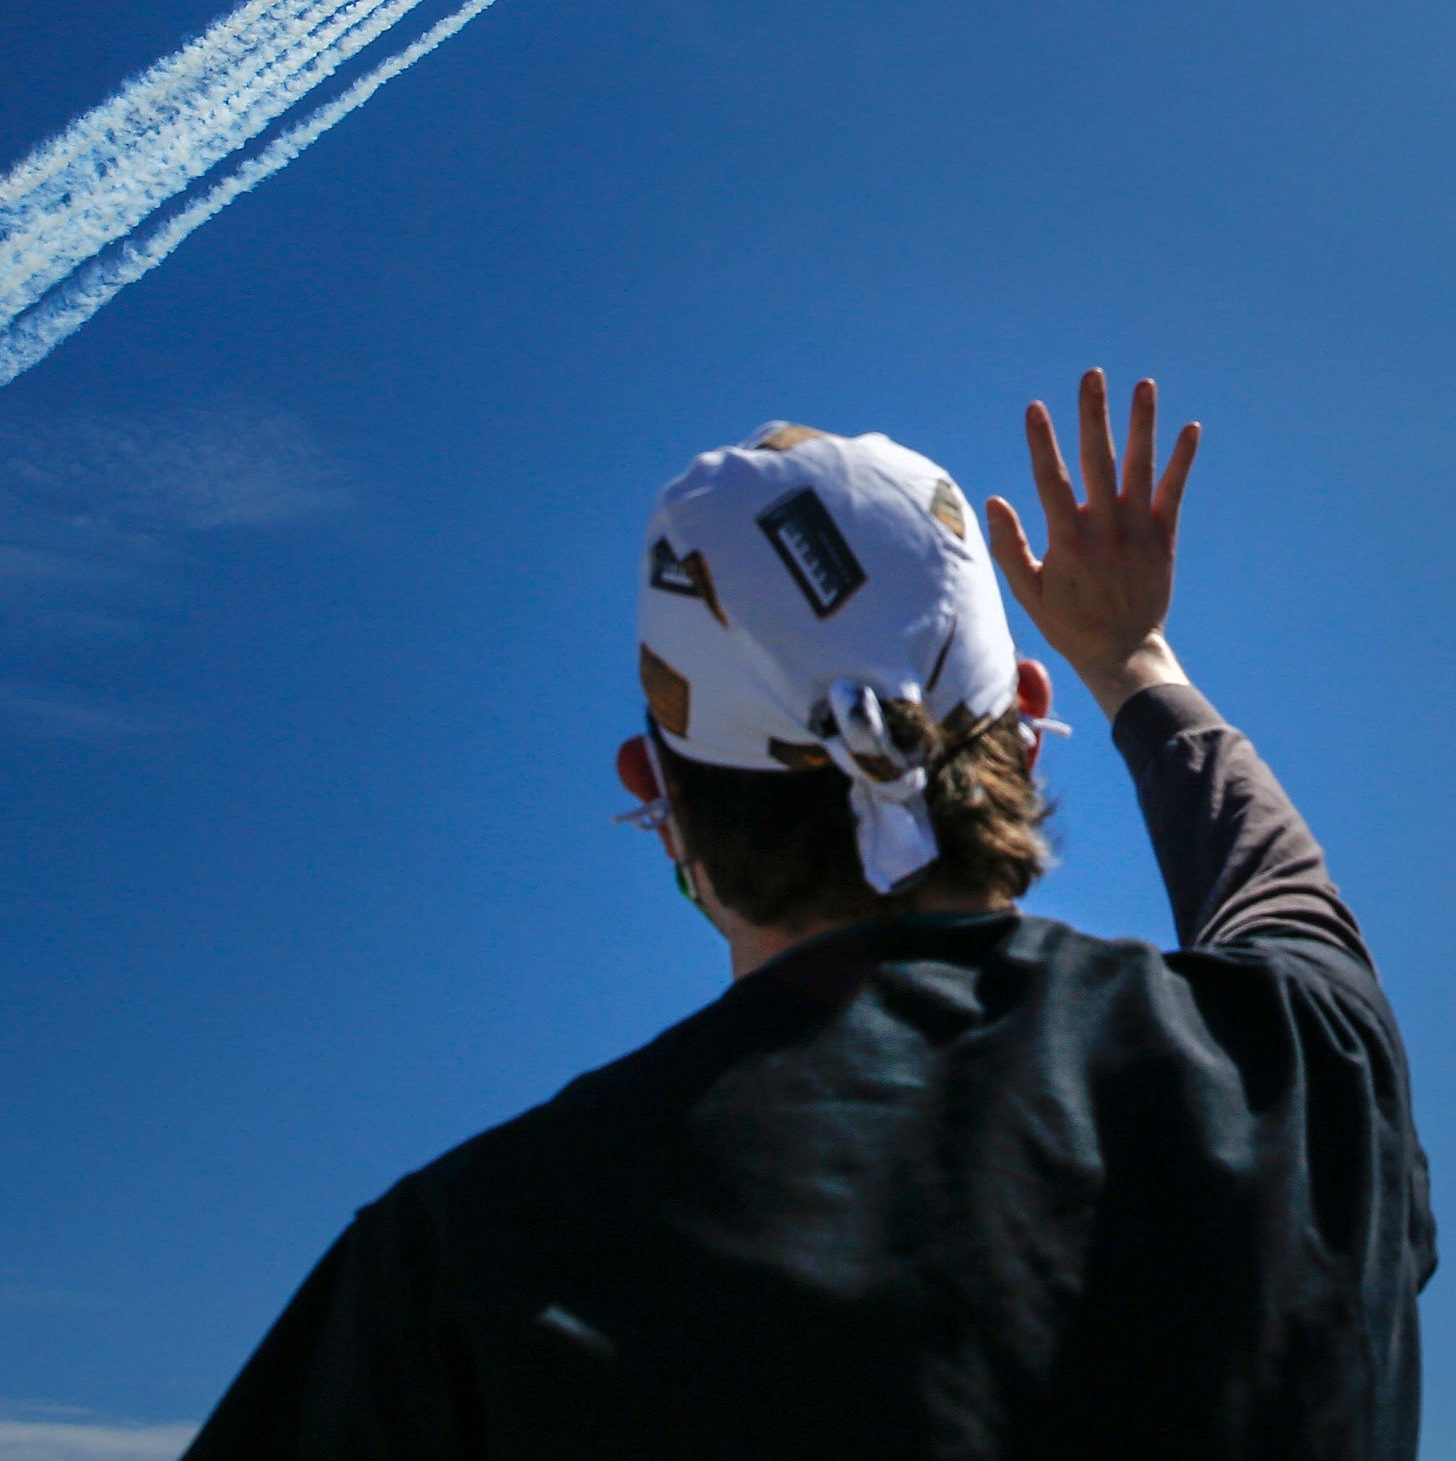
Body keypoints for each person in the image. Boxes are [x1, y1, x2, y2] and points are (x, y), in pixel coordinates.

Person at [183, 371, 1435, 1460]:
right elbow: (1281, 900)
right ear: (1026, 722)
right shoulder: (1288, 1082)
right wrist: (1135, 659)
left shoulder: (461, 1268)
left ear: (656, 796)